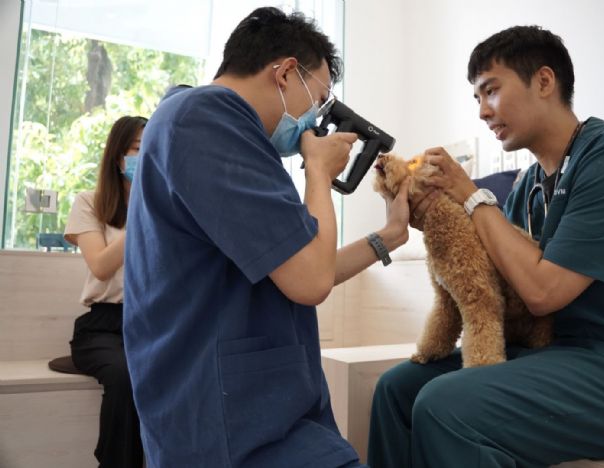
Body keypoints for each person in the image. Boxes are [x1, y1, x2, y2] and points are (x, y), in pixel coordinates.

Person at [367, 25, 604, 468]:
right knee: (397, 389)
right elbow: (501, 283)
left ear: (544, 81)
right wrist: (440, 223)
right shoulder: (528, 187)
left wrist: (470, 196)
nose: (483, 111)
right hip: (567, 356)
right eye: (476, 99)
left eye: (491, 91)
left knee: (447, 406)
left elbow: (543, 293)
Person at [122, 7, 409, 468]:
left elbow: (296, 266)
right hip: (234, 421)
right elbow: (310, 280)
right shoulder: (208, 118)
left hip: (255, 406)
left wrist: (389, 236)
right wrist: (317, 170)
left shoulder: (210, 128)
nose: (314, 118)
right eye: (317, 98)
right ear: (285, 72)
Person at [64, 115, 148, 468]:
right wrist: (145, 213)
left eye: (152, 151)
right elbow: (100, 265)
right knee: (126, 376)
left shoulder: (170, 207)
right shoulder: (90, 202)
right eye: (137, 150)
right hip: (103, 325)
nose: (145, 159)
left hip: (149, 323)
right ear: (117, 157)